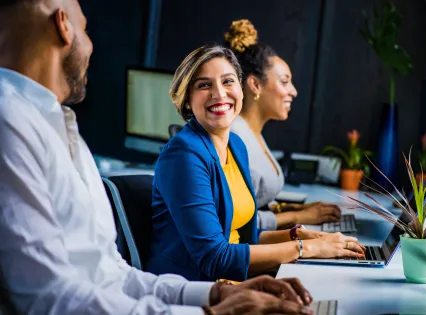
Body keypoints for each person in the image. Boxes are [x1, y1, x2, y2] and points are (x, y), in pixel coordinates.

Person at [0, 1, 315, 314]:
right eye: (85, 28)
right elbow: (48, 299)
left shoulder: (59, 126)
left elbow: (112, 276)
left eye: (228, 81)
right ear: (63, 26)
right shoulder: (10, 123)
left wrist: (216, 296)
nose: (92, 44)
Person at [148, 44, 365, 282]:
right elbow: (215, 258)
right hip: (193, 287)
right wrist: (306, 249)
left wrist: (304, 237)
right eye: (204, 85)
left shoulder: (236, 146)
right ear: (188, 100)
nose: (219, 94)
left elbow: (245, 238)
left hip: (234, 280)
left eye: (228, 81)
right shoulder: (183, 155)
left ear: (241, 90)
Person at [225, 19, 345, 231]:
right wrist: (297, 216)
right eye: (284, 81)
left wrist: (290, 209)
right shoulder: (235, 139)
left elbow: (255, 202)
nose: (293, 91)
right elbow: (236, 223)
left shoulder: (253, 133)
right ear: (255, 84)